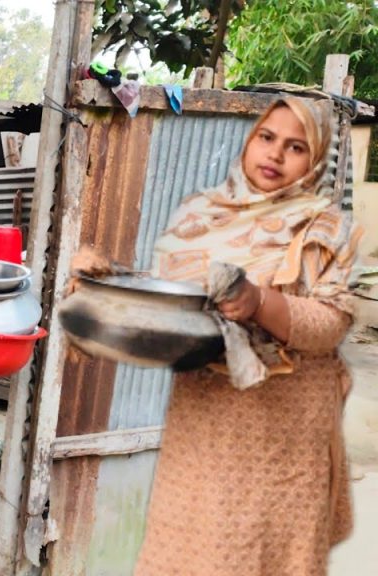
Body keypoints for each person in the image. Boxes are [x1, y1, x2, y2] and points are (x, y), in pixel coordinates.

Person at [86, 97, 361, 575]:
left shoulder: (326, 227)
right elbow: (173, 297)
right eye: (267, 138)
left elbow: (332, 321)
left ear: (314, 159)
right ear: (250, 140)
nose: (275, 154)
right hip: (204, 425)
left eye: (296, 147)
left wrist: (262, 303)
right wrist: (107, 284)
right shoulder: (202, 214)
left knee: (263, 556)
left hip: (282, 437)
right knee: (191, 552)